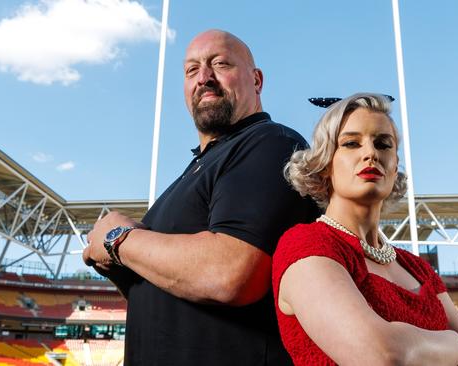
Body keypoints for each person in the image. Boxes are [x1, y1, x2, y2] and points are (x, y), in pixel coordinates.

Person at [83, 29, 318, 365]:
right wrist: (118, 265)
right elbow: (170, 295)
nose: (204, 77)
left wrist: (119, 239)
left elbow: (231, 274)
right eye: (192, 70)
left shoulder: (270, 143)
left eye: (220, 64)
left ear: (256, 80)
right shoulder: (193, 171)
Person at [272, 93, 458, 365]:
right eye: (351, 143)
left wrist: (454, 349)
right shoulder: (305, 244)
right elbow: (384, 355)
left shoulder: (418, 268)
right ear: (325, 163)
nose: (371, 154)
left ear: (394, 166)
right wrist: (457, 343)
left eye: (383, 144)